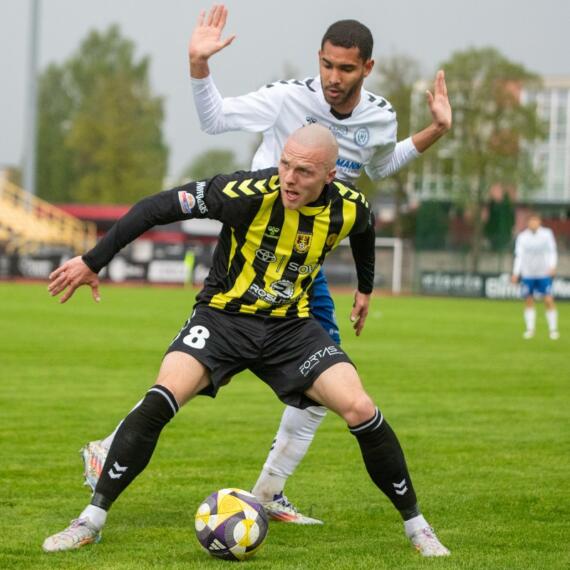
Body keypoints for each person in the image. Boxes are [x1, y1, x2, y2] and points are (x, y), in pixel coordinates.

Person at [81, 5, 453, 525]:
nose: (333, 77)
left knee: (325, 383)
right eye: (326, 64)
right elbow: (214, 119)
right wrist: (199, 65)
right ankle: (130, 451)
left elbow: (382, 165)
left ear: (367, 68)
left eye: (346, 68)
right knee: (214, 372)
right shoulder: (288, 98)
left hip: (306, 257)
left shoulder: (379, 117)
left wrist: (436, 129)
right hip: (255, 245)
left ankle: (266, 489)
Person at [43, 125, 449, 557]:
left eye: (304, 171)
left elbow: (364, 231)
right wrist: (93, 261)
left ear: (330, 176)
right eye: (285, 164)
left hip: (290, 329)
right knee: (161, 396)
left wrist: (365, 288)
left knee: (360, 407)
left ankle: (418, 528)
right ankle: (90, 520)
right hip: (223, 319)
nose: (289, 177)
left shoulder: (350, 206)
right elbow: (154, 208)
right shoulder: (243, 193)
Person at [511, 213, 559, 340]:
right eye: (531, 221)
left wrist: (552, 266)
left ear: (539, 222)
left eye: (535, 221)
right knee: (528, 300)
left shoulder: (547, 234)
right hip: (528, 274)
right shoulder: (522, 237)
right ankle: (530, 329)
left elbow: (552, 251)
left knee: (548, 300)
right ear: (528, 223)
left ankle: (553, 330)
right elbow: (519, 256)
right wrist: (516, 273)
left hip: (543, 273)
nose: (533, 223)